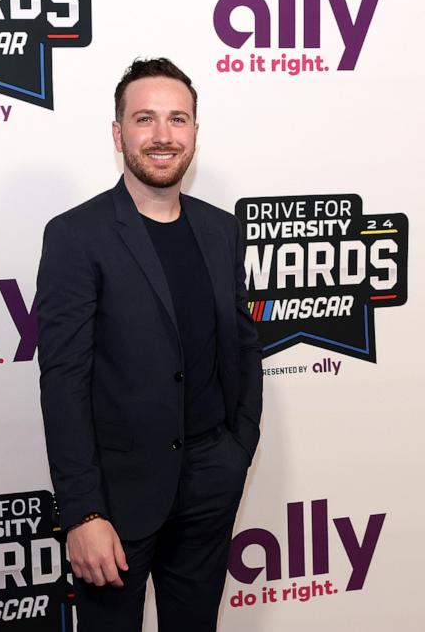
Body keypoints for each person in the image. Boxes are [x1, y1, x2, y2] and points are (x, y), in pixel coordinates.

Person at [36, 58, 263, 631]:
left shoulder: (221, 229)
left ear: (194, 132)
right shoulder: (75, 235)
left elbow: (241, 346)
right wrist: (83, 511)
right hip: (115, 499)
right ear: (118, 134)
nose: (163, 136)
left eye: (177, 119)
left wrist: (237, 448)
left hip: (211, 481)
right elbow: (62, 381)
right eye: (145, 119)